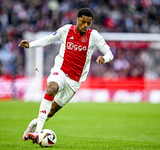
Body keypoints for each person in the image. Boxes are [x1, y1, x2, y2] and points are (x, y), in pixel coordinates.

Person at [19, 7, 114, 144]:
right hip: (61, 71)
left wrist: (104, 59)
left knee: (50, 112)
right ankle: (39, 132)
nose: (85, 25)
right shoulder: (66, 30)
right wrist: (31, 45)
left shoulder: (94, 36)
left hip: (74, 81)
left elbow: (109, 53)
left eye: (88, 23)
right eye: (83, 22)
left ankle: (33, 125)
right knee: (51, 88)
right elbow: (49, 39)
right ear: (77, 19)